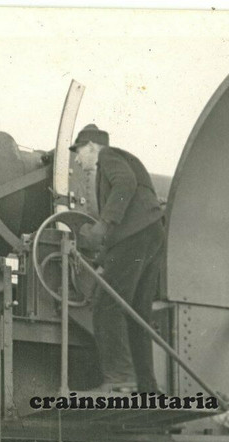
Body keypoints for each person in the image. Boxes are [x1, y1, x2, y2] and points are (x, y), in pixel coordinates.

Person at [69, 124, 165, 393]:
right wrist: (102, 259)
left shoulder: (108, 157)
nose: (77, 160)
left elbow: (125, 183)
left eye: (78, 152)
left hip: (135, 237)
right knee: (137, 312)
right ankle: (147, 386)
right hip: (151, 235)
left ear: (91, 146)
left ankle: (120, 378)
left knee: (106, 304)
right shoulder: (123, 160)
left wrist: (101, 226)